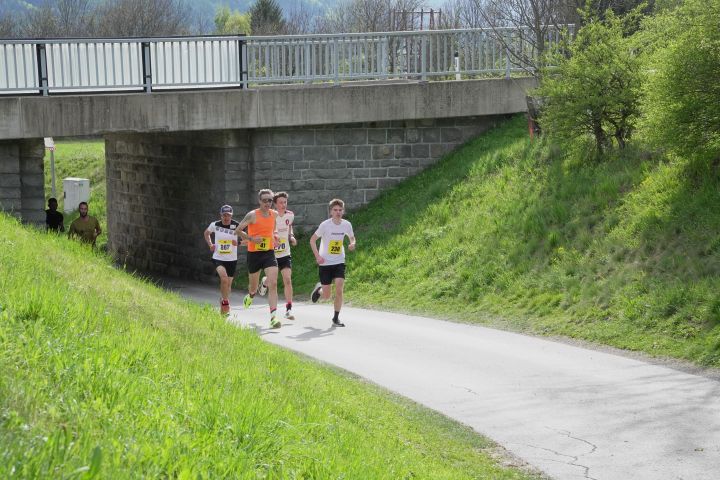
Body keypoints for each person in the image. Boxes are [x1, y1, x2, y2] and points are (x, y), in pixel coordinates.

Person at [237, 189, 281, 329]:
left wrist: (275, 236)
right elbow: (237, 230)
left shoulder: (274, 214)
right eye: (264, 200)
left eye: (270, 200)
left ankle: (273, 317)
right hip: (254, 254)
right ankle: (251, 295)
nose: (267, 203)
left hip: (268, 252)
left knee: (273, 282)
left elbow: (273, 229)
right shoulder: (252, 215)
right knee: (253, 288)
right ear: (259, 201)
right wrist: (251, 239)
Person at [309, 198, 356, 327]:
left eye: (340, 210)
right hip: (325, 263)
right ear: (330, 212)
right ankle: (319, 290)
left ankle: (336, 318)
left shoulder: (346, 224)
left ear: (343, 211)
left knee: (339, 289)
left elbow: (352, 237)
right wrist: (317, 256)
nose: (338, 212)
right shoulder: (325, 225)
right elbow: (312, 240)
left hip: (339, 261)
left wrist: (352, 243)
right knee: (326, 296)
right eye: (335, 210)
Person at [258, 191, 297, 320]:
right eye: (280, 202)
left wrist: (291, 236)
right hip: (272, 254)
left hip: (285, 253)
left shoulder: (290, 215)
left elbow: (289, 228)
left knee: (287, 279)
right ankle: (265, 282)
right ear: (275, 204)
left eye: (285, 202)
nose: (283, 205)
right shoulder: (270, 216)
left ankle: (289, 310)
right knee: (272, 281)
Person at [204, 205, 240, 315]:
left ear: (231, 215)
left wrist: (238, 243)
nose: (226, 217)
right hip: (218, 258)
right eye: (224, 215)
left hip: (232, 259)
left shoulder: (237, 225)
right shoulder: (215, 225)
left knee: (228, 285)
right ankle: (225, 303)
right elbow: (206, 233)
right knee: (224, 279)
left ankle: (223, 302)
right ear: (221, 215)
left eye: (228, 215)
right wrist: (210, 244)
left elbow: (248, 239)